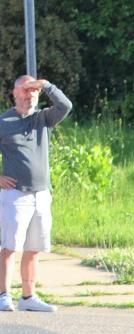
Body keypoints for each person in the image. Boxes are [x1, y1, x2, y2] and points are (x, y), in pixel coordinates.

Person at [0, 75, 73, 312]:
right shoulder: (4, 121)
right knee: (10, 247)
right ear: (14, 93)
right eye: (24, 90)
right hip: (15, 195)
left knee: (34, 248)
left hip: (41, 194)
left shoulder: (42, 118)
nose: (28, 95)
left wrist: (47, 85)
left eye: (33, 92)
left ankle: (28, 297)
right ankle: (3, 294)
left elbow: (65, 106)